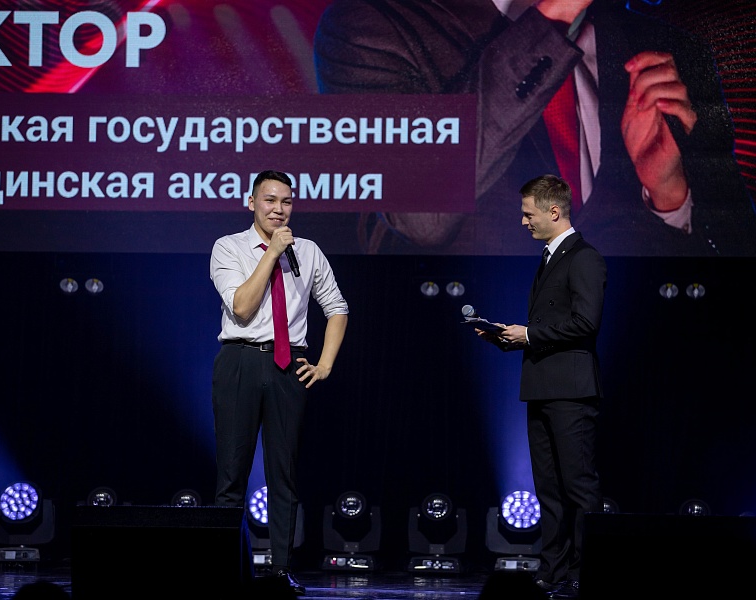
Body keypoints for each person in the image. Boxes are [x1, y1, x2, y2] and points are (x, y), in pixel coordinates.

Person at [314, 0, 756, 256]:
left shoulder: (669, 48)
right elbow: (421, 216)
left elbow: (733, 255)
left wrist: (670, 198)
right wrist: (555, 13)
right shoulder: (367, 27)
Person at [210, 169, 349, 596]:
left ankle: (280, 570)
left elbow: (337, 307)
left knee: (283, 474)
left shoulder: (308, 251)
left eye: (286, 202)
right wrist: (271, 252)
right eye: (270, 200)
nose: (279, 209)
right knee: (232, 475)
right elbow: (242, 306)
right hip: (240, 361)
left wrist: (324, 364)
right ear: (251, 202)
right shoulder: (228, 247)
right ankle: (227, 572)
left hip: (289, 366)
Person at [475, 175, 606, 599]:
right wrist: (506, 338)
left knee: (578, 487)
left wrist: (528, 334)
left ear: (554, 211)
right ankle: (553, 570)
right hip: (542, 387)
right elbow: (550, 325)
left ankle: (587, 572)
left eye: (528, 213)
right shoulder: (550, 258)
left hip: (571, 391)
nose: (523, 221)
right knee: (548, 489)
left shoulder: (584, 257)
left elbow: (585, 323)